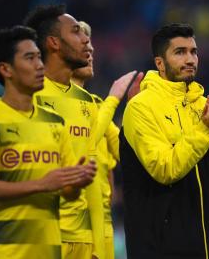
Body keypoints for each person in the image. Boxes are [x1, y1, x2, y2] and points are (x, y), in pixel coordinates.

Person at [23, 4, 137, 259]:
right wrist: (113, 99)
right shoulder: (31, 97)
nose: (88, 42)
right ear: (53, 43)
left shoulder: (87, 102)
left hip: (87, 238)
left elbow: (108, 171)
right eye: (76, 32)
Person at [120, 23, 209, 259]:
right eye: (180, 52)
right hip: (159, 248)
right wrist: (206, 130)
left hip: (204, 246)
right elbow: (165, 169)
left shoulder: (200, 104)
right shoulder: (141, 107)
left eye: (193, 51)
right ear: (159, 63)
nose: (190, 59)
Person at [0, 26, 96, 259]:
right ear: (5, 69)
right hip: (6, 251)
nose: (40, 65)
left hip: (51, 249)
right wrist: (42, 184)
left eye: (39, 58)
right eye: (29, 58)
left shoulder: (55, 122)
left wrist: (76, 181)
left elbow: (65, 192)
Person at [71, 21, 142, 259]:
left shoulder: (97, 106)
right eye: (81, 42)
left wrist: (136, 113)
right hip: (68, 233)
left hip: (103, 232)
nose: (90, 49)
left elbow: (131, 156)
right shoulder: (45, 103)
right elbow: (83, 147)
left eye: (90, 42)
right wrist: (113, 99)